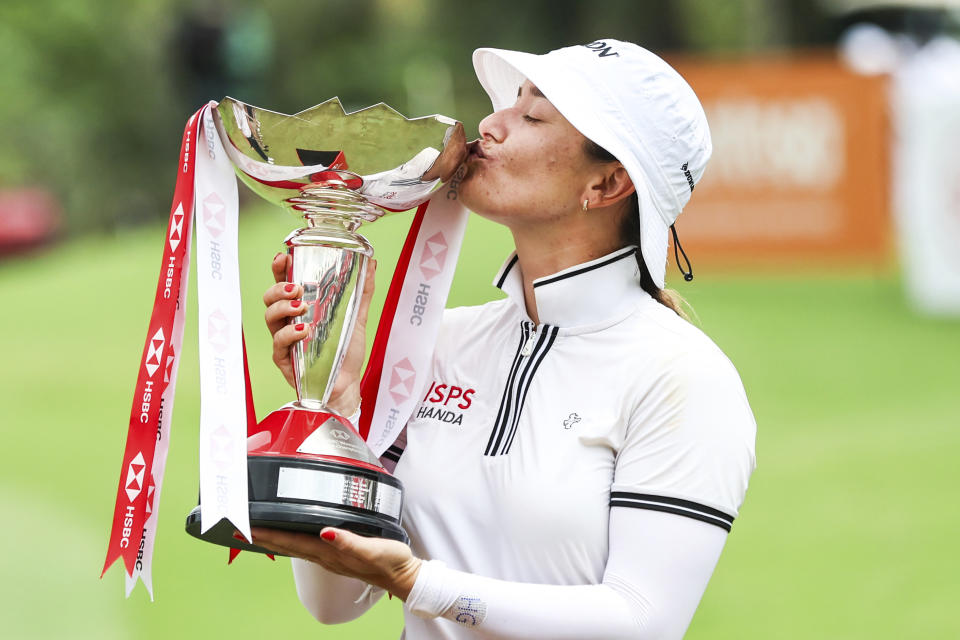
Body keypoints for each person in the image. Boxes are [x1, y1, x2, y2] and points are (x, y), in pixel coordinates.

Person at [254, 39, 757, 639]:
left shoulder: (682, 376)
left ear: (608, 183)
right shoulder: (440, 343)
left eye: (534, 115)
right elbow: (335, 603)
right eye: (509, 101)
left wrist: (421, 582)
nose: (491, 124)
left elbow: (641, 621)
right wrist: (336, 404)